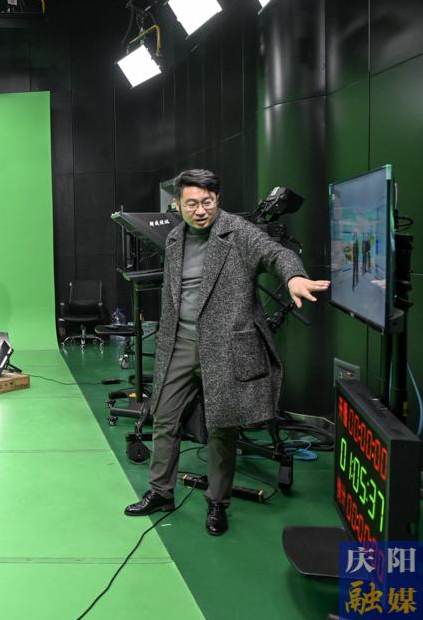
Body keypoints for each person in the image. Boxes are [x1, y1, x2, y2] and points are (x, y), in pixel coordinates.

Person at [123, 170, 329, 536]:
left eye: (207, 202)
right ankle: (161, 493)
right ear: (177, 205)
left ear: (217, 200)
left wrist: (293, 276)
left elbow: (276, 253)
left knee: (222, 428)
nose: (200, 210)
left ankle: (218, 502)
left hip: (225, 347)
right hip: (180, 344)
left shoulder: (239, 233)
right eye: (192, 203)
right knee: (165, 419)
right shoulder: (174, 239)